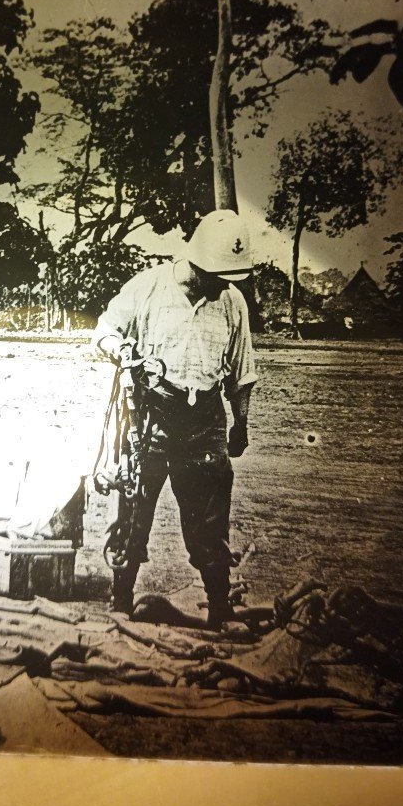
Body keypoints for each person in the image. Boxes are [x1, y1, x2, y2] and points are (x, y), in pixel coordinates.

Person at [92, 210, 256, 629]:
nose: (225, 284)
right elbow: (104, 329)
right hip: (151, 414)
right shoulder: (148, 286)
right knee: (134, 511)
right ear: (196, 264)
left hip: (205, 419)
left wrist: (240, 422)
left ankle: (219, 606)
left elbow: (242, 370)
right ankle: (121, 598)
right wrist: (123, 351)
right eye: (218, 276)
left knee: (209, 520)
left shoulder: (231, 301)